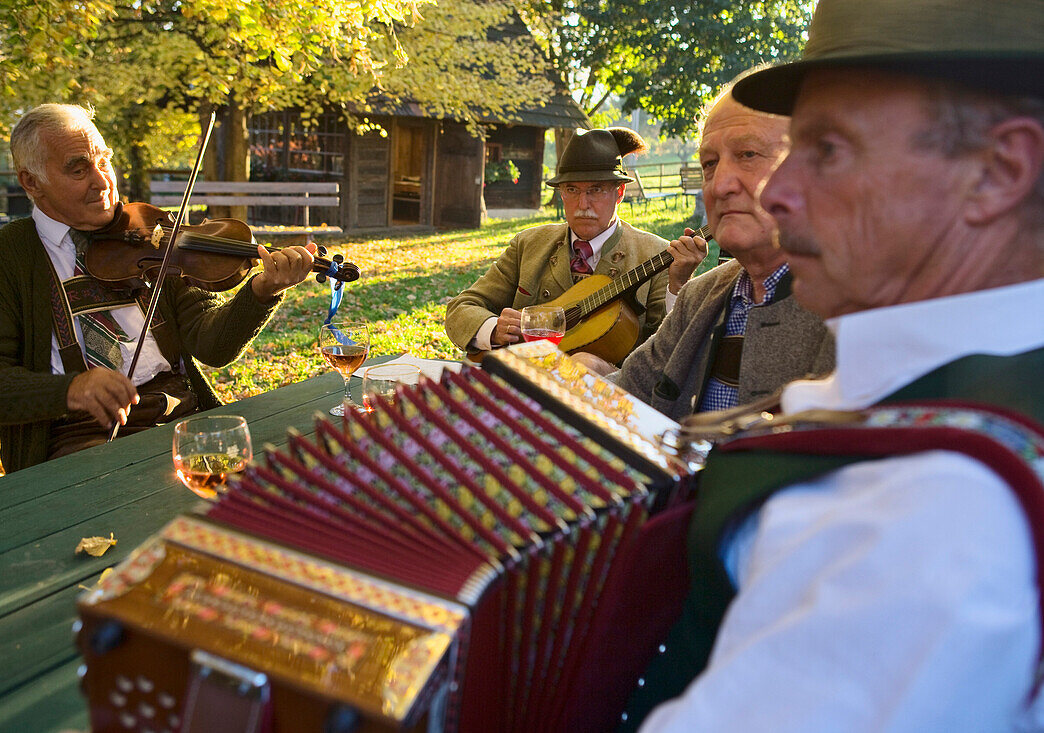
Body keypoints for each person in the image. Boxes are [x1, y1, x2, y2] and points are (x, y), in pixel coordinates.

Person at [626, 0, 1044, 730]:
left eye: (828, 149)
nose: (779, 195)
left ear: (999, 172)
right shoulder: (944, 395)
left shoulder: (928, 521)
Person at [0, 104, 317, 473]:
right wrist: (70, 390)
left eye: (104, 161)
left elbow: (213, 346)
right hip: (79, 441)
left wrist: (262, 291)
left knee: (299, 463)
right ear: (31, 182)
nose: (102, 181)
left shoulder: (149, 234)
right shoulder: (2, 263)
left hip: (181, 417)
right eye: (78, 169)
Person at [576, 83, 834, 420]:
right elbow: (626, 388)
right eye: (709, 163)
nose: (720, 184)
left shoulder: (854, 308)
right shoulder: (697, 297)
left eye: (748, 155)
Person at [444, 127, 705, 357]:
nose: (583, 204)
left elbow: (672, 348)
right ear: (561, 193)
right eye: (572, 190)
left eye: (596, 189)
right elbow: (461, 308)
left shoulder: (656, 253)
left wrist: (678, 285)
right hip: (520, 382)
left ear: (620, 193)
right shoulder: (528, 244)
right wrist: (494, 330)